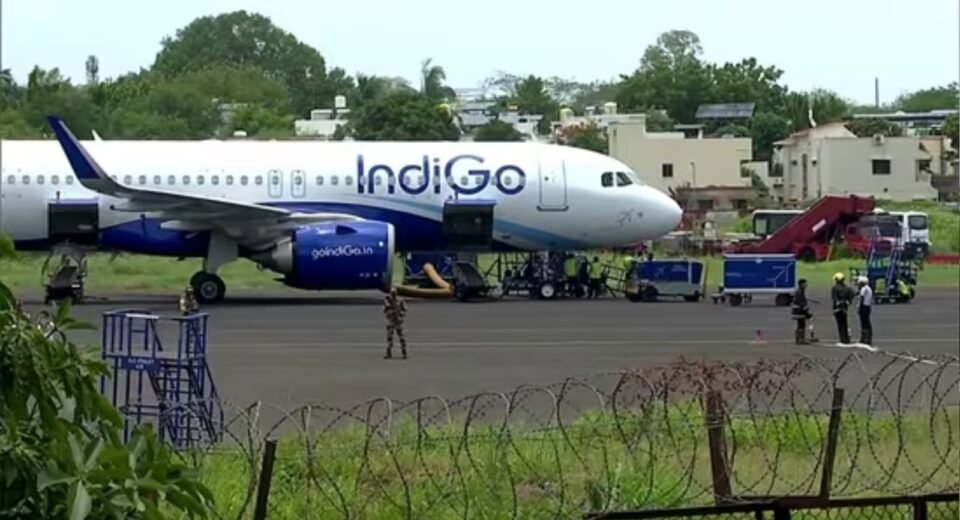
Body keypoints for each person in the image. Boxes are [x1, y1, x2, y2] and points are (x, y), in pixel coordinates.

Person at [383, 288, 408, 359]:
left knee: (402, 338)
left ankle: (404, 353)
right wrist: (390, 313)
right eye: (392, 293)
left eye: (394, 293)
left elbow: (405, 309)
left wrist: (401, 314)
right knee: (390, 338)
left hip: (398, 322)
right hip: (391, 321)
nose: (393, 294)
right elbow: (384, 310)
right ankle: (388, 353)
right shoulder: (387, 300)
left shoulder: (400, 300)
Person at [830, 272, 855, 344]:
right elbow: (853, 294)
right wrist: (848, 301)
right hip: (845, 307)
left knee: (840, 324)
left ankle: (842, 339)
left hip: (837, 309)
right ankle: (846, 339)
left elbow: (834, 298)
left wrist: (838, 303)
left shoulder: (834, 288)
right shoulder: (847, 288)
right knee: (845, 323)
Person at [791, 278, 818, 344]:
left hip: (798, 311)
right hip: (799, 312)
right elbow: (802, 304)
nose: (806, 285)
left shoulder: (800, 291)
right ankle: (801, 339)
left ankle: (799, 339)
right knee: (801, 325)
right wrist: (807, 313)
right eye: (805, 283)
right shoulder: (800, 292)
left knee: (800, 325)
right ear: (802, 284)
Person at [856, 276, 873, 345]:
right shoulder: (869, 288)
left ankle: (864, 338)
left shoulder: (863, 289)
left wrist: (859, 308)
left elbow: (861, 299)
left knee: (864, 323)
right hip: (868, 306)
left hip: (864, 307)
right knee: (867, 322)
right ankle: (867, 338)